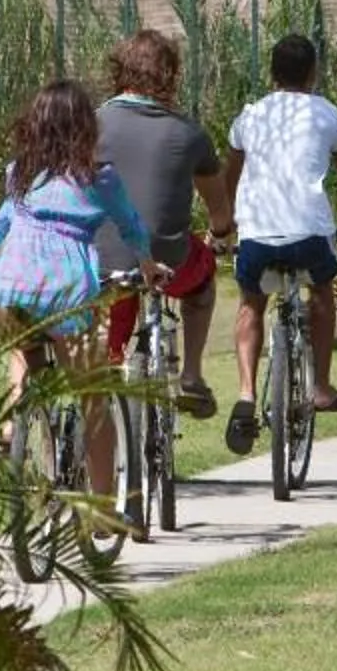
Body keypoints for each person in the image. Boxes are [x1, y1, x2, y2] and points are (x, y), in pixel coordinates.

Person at [0, 79, 157, 497]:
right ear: (86, 128)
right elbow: (132, 228)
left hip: (8, 292)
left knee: (21, 347)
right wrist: (148, 265)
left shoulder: (19, 174)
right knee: (93, 398)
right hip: (66, 294)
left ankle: (14, 421)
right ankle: (101, 510)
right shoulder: (99, 178)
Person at [220, 33, 337, 457]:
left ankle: (248, 394)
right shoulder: (326, 113)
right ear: (313, 73)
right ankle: (321, 386)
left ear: (272, 73)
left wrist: (227, 224)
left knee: (252, 302)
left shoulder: (249, 116)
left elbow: (228, 178)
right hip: (309, 230)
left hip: (257, 232)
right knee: (322, 292)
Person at [96, 30, 234, 417]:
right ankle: (191, 375)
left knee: (116, 299)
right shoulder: (189, 133)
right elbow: (218, 206)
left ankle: (108, 381)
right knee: (202, 279)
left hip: (103, 259)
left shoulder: (91, 124)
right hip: (169, 258)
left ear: (120, 71)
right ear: (170, 76)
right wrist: (220, 235)